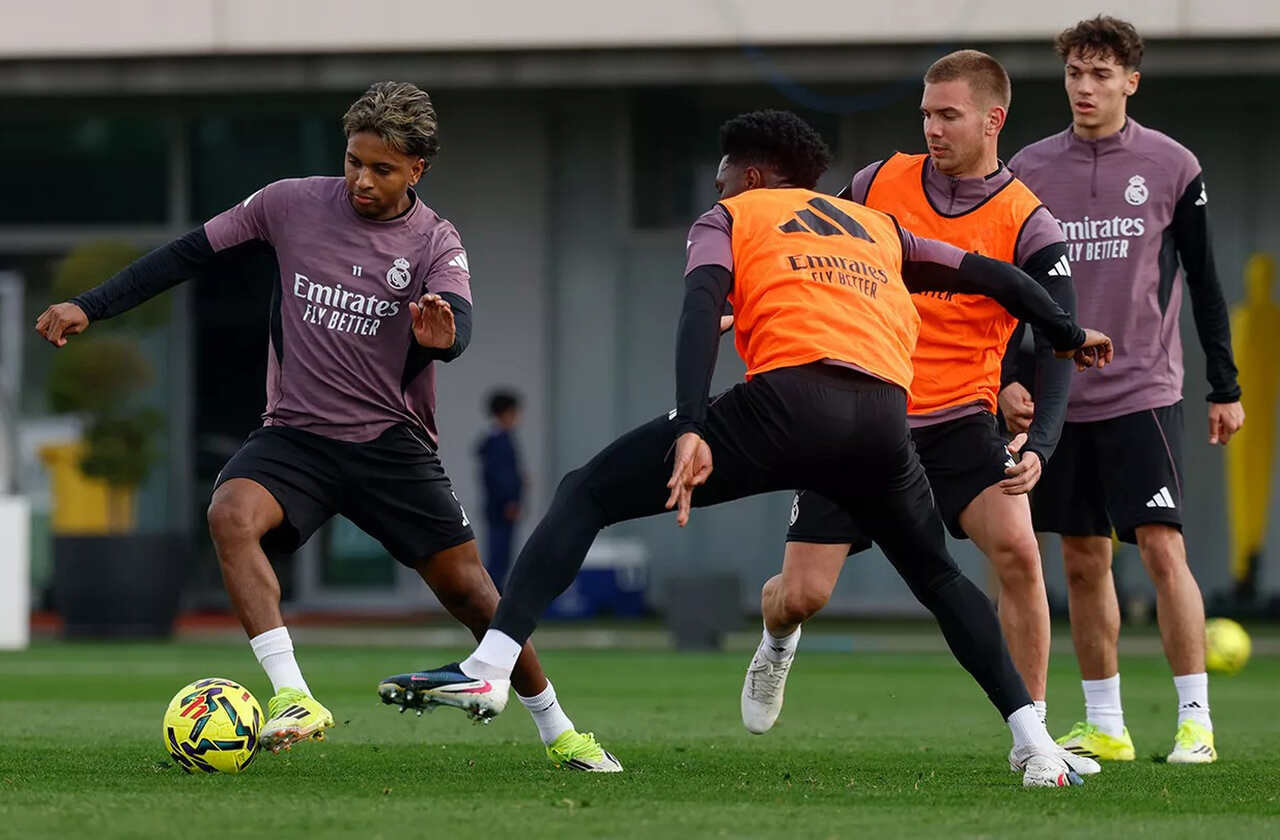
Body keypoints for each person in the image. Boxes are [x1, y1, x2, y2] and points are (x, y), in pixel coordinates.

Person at [378, 109, 1114, 788]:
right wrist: (1067, 333)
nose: (717, 181)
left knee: (586, 490)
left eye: (724, 169)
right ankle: (1035, 745)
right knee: (941, 579)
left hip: (787, 405)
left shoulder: (730, 213)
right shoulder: (873, 225)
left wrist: (693, 423)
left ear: (753, 175)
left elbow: (700, 305)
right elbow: (995, 277)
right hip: (887, 418)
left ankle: (492, 662)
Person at [34, 81, 620, 772]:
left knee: (473, 593)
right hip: (296, 434)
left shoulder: (435, 240)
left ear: (417, 170)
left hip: (389, 444)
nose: (361, 181)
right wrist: (90, 305)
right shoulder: (289, 204)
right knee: (230, 513)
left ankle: (561, 732)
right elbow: (189, 253)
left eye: (381, 169)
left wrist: (442, 336)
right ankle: (292, 697)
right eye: (353, 162)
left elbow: (457, 323)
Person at [741, 51, 1084, 779]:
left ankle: (1035, 736)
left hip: (963, 419)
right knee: (802, 595)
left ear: (994, 120)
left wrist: (1041, 442)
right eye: (926, 113)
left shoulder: (1031, 222)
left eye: (948, 115)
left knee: (1021, 555)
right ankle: (775, 645)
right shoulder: (874, 184)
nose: (932, 127)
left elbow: (1061, 341)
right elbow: (805, 243)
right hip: (863, 407)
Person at [1008, 16, 1244, 765]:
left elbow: (1205, 284)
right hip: (1055, 393)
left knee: (1162, 550)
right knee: (1081, 556)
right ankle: (1105, 722)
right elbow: (1006, 289)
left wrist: (1225, 387)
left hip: (1144, 389)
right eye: (1075, 74)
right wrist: (1008, 380)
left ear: (1130, 81)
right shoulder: (1029, 167)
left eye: (1101, 74)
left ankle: (1196, 722)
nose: (1085, 87)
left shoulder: (1173, 165)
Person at [475, 390, 525, 591]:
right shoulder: (499, 441)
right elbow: (500, 476)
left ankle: (493, 602)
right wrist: (510, 500)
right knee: (498, 558)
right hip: (501, 509)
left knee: (500, 558)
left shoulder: (496, 440)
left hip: (498, 508)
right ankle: (490, 603)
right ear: (506, 413)